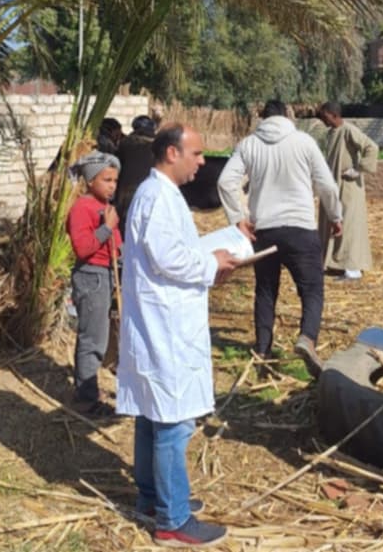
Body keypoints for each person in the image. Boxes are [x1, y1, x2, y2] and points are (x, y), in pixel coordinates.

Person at [117, 124, 238, 548]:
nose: (202, 162)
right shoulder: (157, 197)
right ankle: (172, 519)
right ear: (172, 153)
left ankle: (154, 498)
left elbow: (171, 252)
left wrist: (213, 255)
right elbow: (169, 258)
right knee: (171, 420)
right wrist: (212, 263)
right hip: (164, 327)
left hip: (163, 322)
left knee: (153, 414)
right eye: (197, 154)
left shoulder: (161, 195)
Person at [217, 99, 342, 377]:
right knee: (311, 289)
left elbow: (225, 182)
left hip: (264, 229)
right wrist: (336, 215)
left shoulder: (249, 144)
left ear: (263, 118)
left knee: (265, 290)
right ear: (287, 115)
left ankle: (263, 350)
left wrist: (238, 218)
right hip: (300, 228)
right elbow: (326, 185)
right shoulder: (304, 142)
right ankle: (307, 338)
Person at [66, 151, 123, 416]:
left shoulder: (105, 207)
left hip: (106, 274)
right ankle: (86, 399)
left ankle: (89, 389)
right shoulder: (82, 208)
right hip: (92, 277)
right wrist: (106, 228)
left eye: (115, 180)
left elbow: (116, 245)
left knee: (101, 335)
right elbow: (83, 247)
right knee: (93, 339)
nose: (112, 186)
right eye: (106, 180)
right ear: (90, 181)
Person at [316, 102, 379, 281]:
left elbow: (372, 147)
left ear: (334, 115)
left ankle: (353, 269)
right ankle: (335, 263)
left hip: (348, 188)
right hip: (334, 186)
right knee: (332, 222)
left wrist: (358, 169)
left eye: (325, 117)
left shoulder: (349, 130)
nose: (323, 120)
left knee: (349, 226)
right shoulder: (331, 133)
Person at [114, 115, 157, 235]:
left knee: (126, 227)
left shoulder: (125, 143)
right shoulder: (159, 145)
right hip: (151, 190)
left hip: (126, 192)